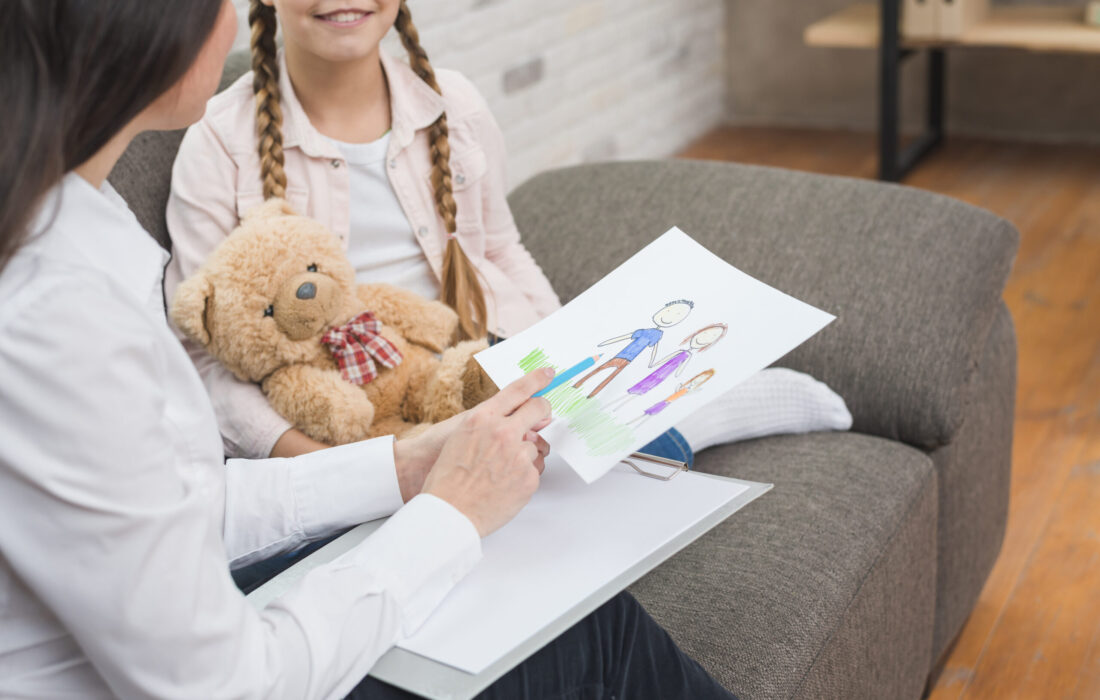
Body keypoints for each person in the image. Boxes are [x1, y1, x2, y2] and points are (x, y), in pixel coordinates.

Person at [0, 2, 738, 698]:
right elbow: (224, 682)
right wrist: (450, 512)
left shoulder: (83, 226)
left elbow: (179, 500)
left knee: (635, 448)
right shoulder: (58, 320)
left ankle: (726, 404)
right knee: (594, 628)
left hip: (436, 378)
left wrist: (407, 467)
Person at [164, 0, 851, 475]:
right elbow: (203, 363)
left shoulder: (453, 104)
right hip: (341, 417)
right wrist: (325, 468)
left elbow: (499, 249)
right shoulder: (217, 145)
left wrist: (568, 362)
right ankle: (682, 423)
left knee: (598, 441)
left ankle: (700, 408)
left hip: (472, 363)